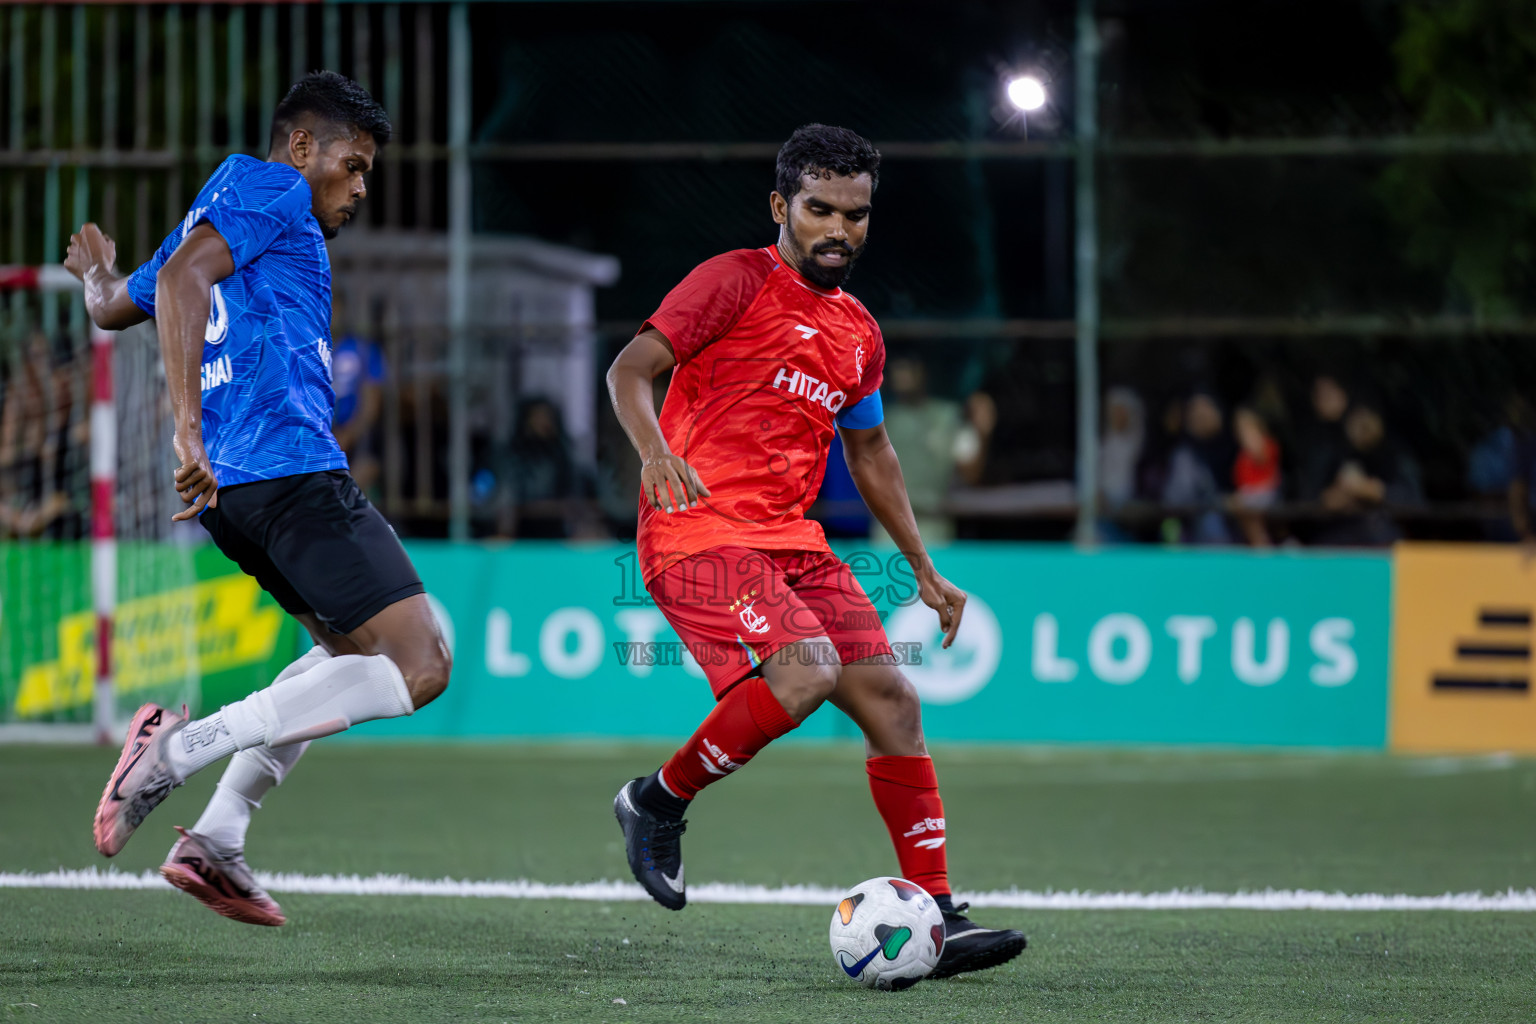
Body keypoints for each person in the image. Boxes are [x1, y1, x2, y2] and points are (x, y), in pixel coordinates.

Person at [604, 124, 1025, 980]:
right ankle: (656, 801)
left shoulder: (858, 333)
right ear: (781, 207)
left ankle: (936, 915)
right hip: (697, 533)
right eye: (820, 209)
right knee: (805, 671)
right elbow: (628, 369)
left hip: (793, 543)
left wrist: (924, 569)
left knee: (893, 701)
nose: (840, 228)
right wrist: (655, 452)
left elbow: (871, 454)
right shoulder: (733, 280)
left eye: (857, 214)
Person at [64, 71, 451, 927]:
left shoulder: (229, 211)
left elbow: (123, 302)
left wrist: (98, 280)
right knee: (424, 662)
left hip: (237, 496)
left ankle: (217, 839)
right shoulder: (270, 184)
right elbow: (179, 288)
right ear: (303, 146)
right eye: (353, 165)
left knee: (349, 661)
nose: (359, 187)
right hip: (286, 469)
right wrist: (185, 432)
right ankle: (178, 751)